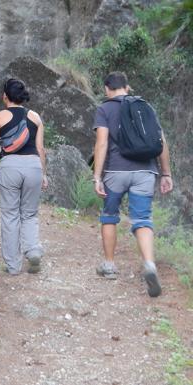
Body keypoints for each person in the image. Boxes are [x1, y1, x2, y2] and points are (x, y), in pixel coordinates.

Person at [92, 71, 173, 297]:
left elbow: (102, 144)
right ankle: (149, 264)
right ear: (127, 87)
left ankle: (109, 264)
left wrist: (97, 176)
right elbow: (161, 142)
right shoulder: (145, 106)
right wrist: (166, 173)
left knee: (109, 215)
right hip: (145, 171)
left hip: (115, 171)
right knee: (143, 219)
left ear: (107, 89)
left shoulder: (105, 109)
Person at [0, 78, 48, 275]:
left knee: (10, 216)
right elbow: (40, 148)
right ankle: (33, 250)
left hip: (10, 167)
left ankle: (13, 266)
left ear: (5, 96)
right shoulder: (35, 117)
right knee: (30, 213)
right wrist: (43, 174)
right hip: (34, 166)